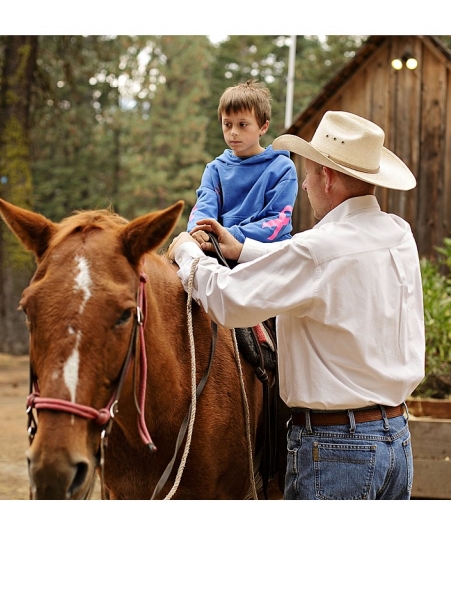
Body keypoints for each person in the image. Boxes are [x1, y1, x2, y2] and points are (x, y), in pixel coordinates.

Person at [168, 110, 425, 500]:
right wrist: (245, 249)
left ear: (328, 177)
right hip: (397, 440)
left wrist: (188, 254)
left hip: (338, 449)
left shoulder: (318, 250)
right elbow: (313, 261)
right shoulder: (398, 233)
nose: (303, 185)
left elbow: (229, 300)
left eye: (308, 174)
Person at [187, 80, 299, 248]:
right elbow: (203, 208)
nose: (233, 132)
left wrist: (228, 235)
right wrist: (198, 231)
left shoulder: (282, 168)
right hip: (218, 249)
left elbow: (278, 220)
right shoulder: (215, 169)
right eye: (227, 124)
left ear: (263, 126)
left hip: (267, 252)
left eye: (242, 124)